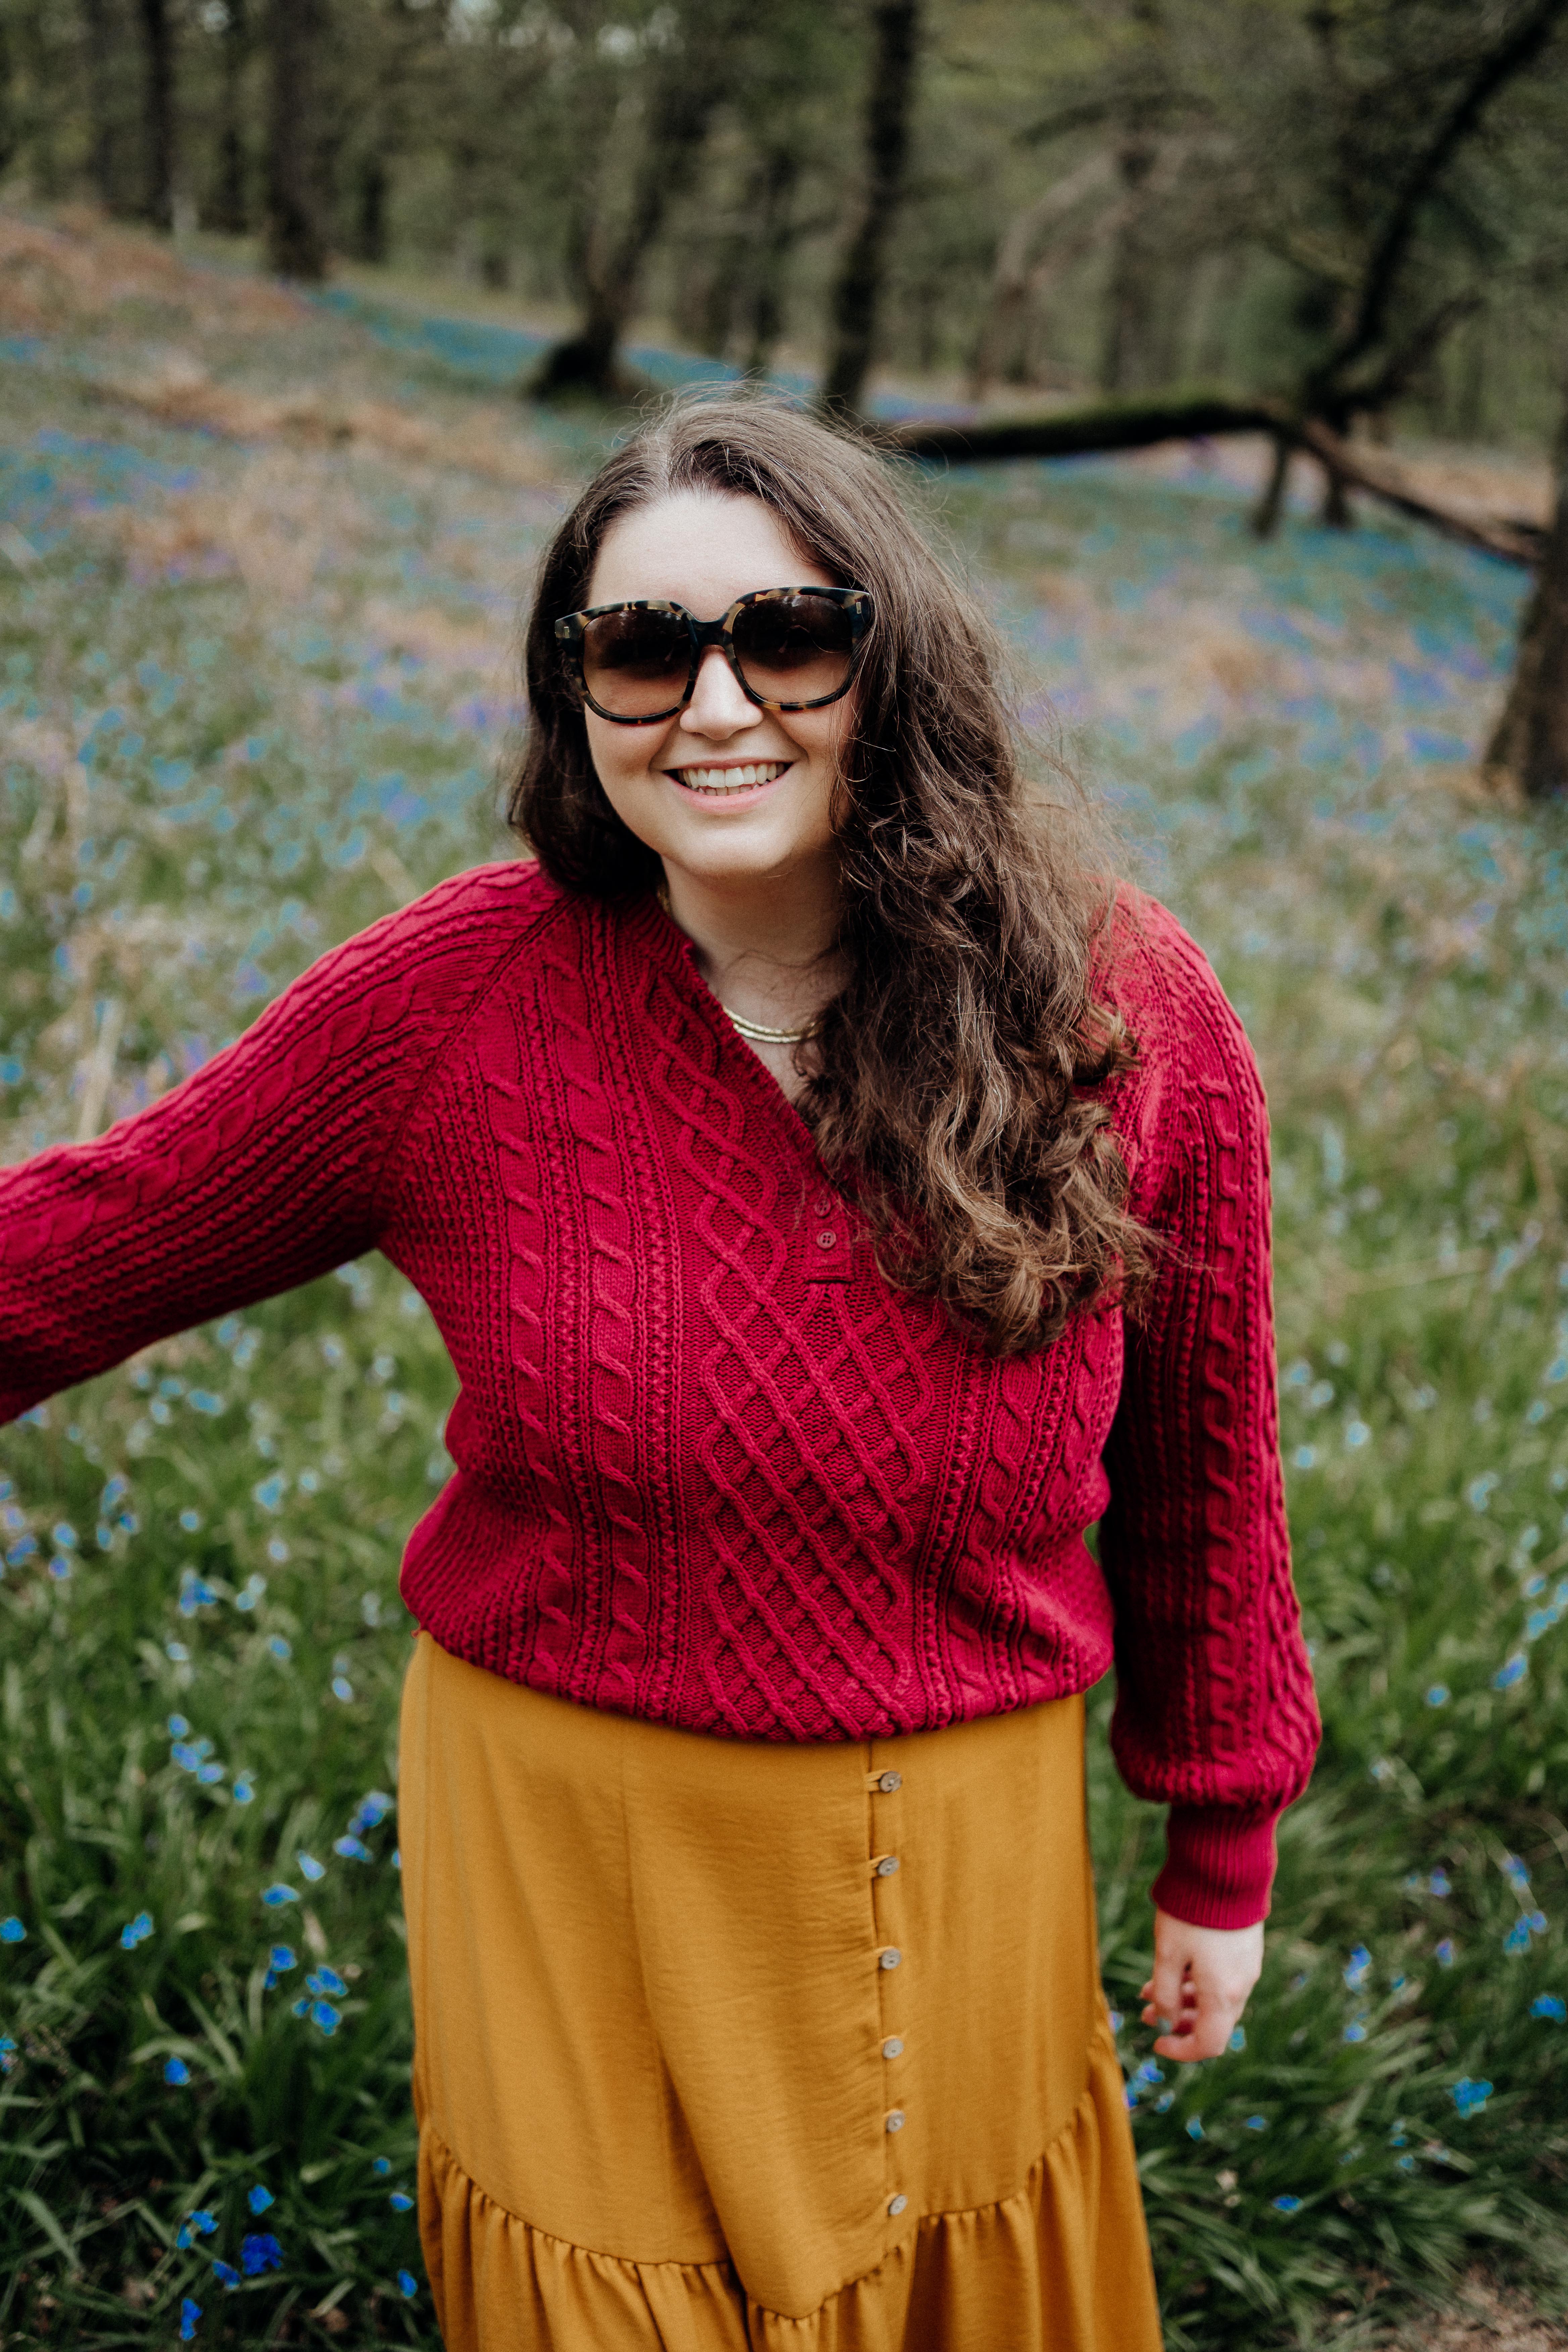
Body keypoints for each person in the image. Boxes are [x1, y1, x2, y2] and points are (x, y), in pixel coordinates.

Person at [0, 393, 1318, 2351]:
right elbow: (96, 1236)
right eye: (641, 648)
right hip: (570, 1839)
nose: (715, 706)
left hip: (951, 1857)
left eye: (787, 637)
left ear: (892, 664)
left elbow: (1210, 1470)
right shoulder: (454, 1004)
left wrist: (1222, 1839)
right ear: (574, 690)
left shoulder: (1124, 1012)